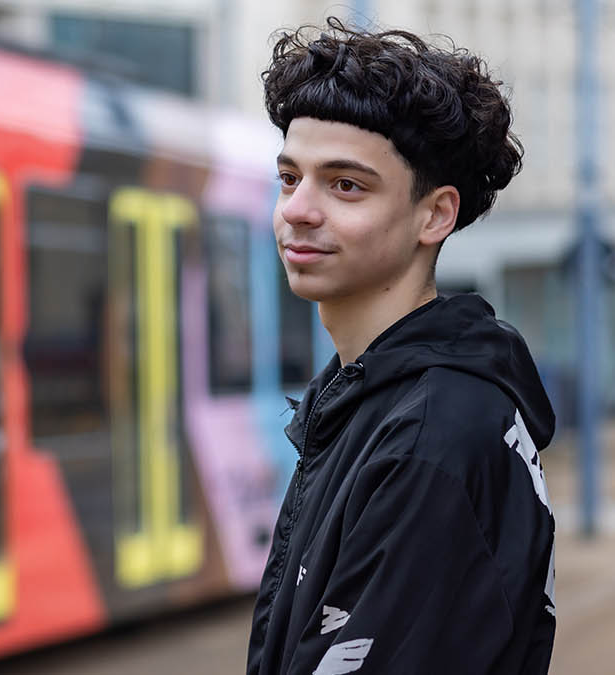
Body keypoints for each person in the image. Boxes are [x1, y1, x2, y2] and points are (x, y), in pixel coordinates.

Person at [245, 18, 557, 675]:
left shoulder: (428, 437)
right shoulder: (367, 398)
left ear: (435, 215)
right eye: (289, 178)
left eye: (345, 185)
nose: (298, 209)